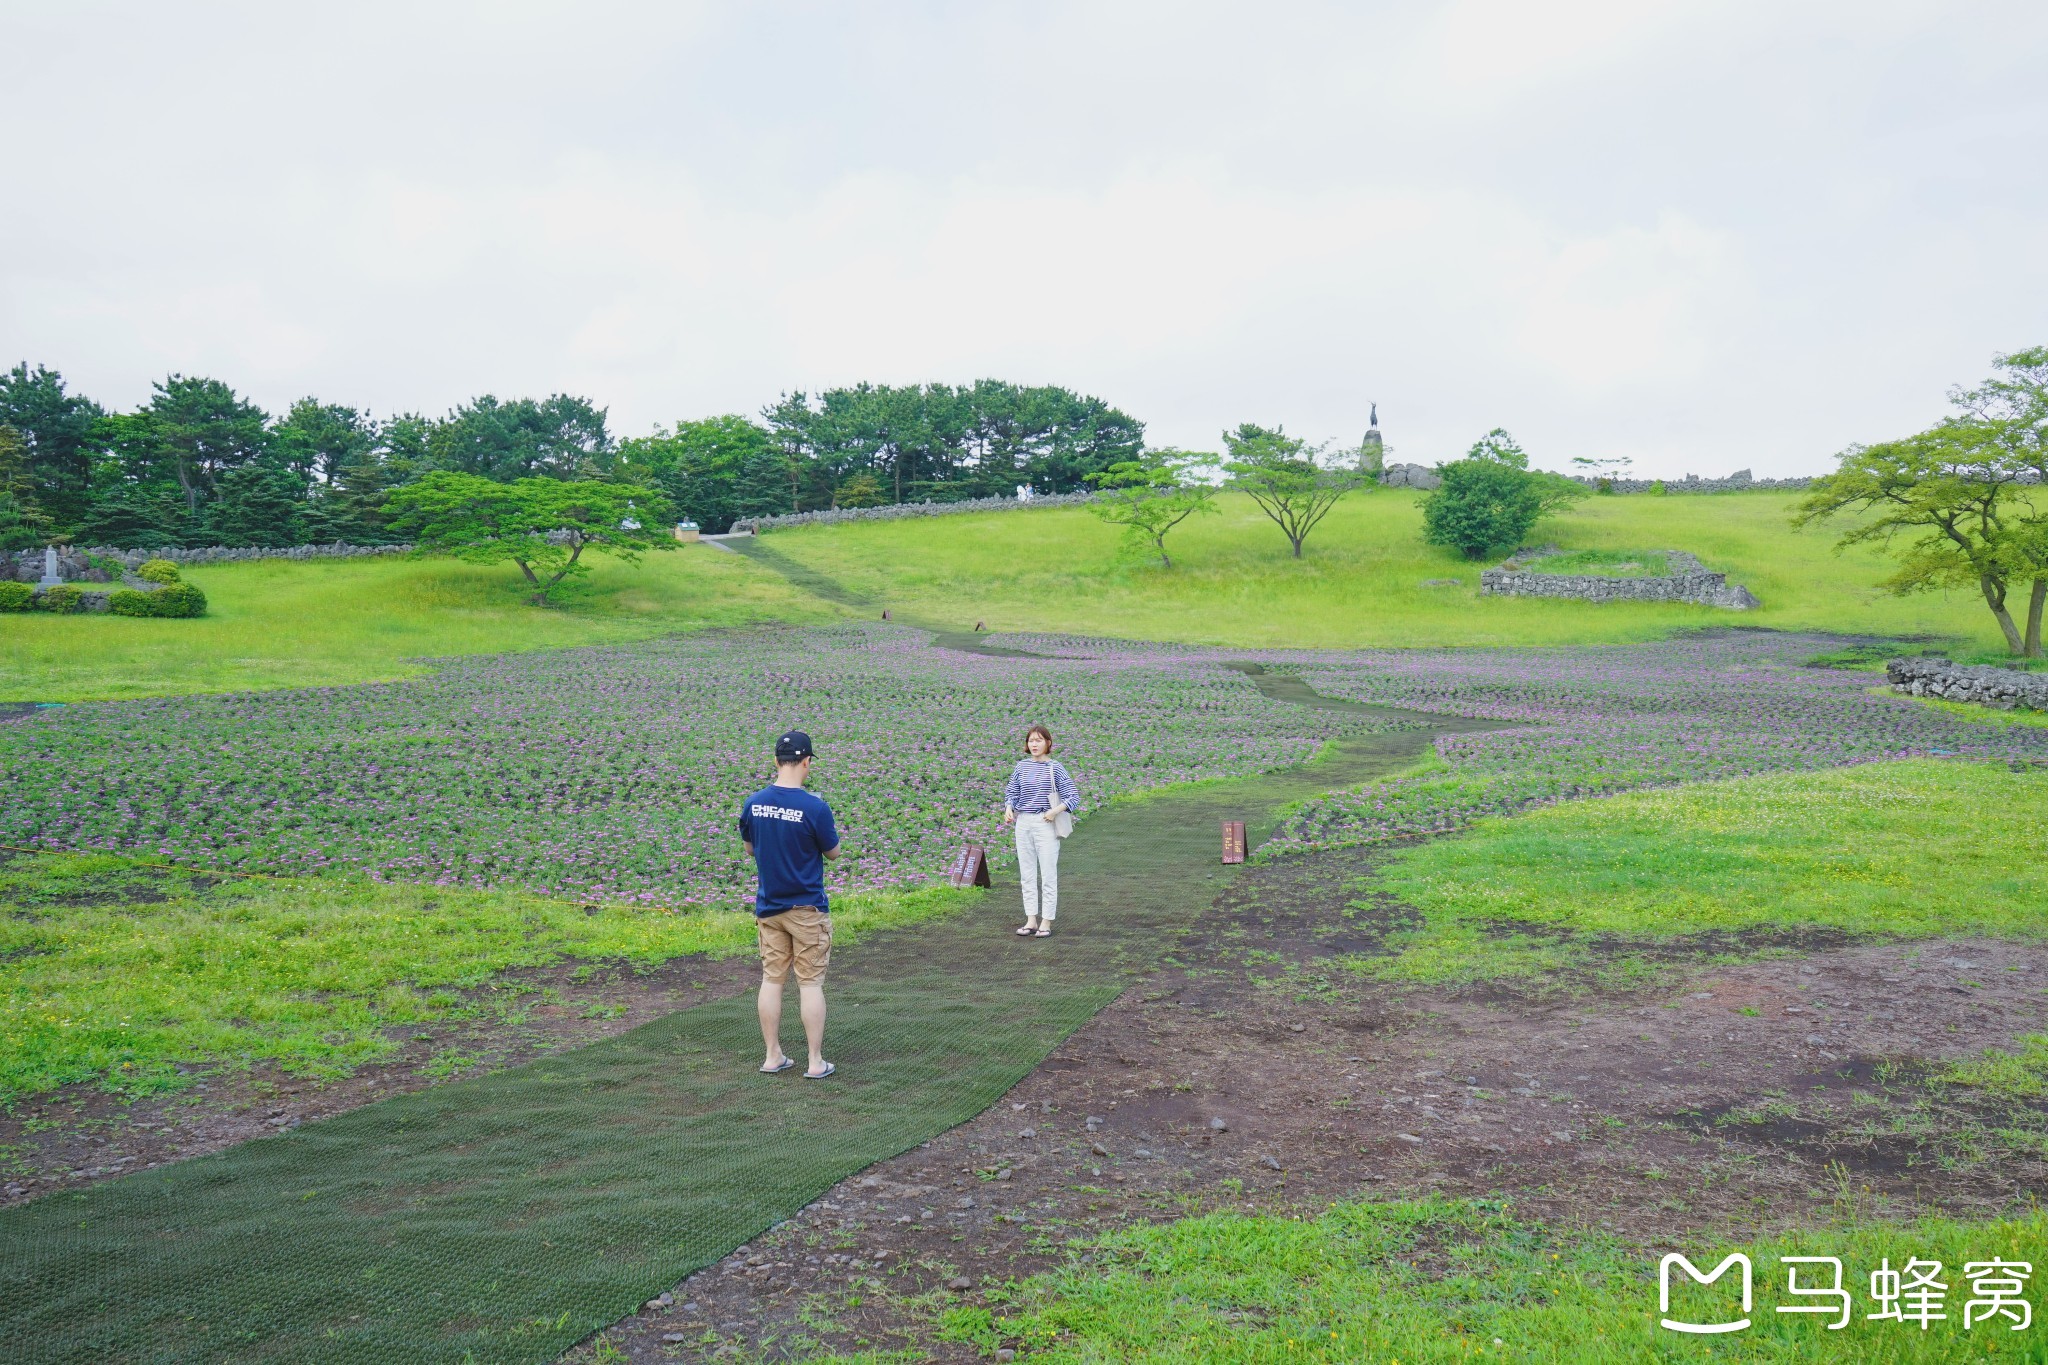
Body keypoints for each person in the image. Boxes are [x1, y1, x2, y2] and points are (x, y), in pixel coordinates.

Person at [738, 730, 840, 1079]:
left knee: (772, 979)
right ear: (807, 761)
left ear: (775, 761)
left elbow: (750, 849)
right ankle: (814, 1061)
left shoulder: (753, 803)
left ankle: (772, 1056)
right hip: (807, 909)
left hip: (769, 906)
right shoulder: (815, 806)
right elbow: (833, 853)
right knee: (810, 983)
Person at [1001, 723, 1080, 937]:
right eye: (1031, 740)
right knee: (1026, 874)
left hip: (1045, 823)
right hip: (1023, 822)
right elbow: (1012, 792)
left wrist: (1054, 812)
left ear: (1048, 743)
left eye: (1038, 740)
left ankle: (1046, 921)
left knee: (1047, 873)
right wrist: (1009, 808)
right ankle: (1031, 920)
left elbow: (1073, 796)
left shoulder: (1056, 767)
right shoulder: (1021, 767)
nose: (1034, 744)